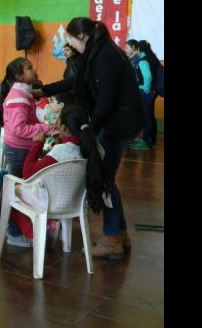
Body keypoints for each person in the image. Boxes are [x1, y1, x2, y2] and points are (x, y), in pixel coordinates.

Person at [35, 17, 143, 260]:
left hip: (120, 124)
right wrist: (44, 90)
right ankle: (119, 234)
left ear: (81, 36)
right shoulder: (96, 51)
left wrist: (88, 132)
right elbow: (77, 80)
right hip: (118, 121)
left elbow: (105, 103)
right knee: (107, 178)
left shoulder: (105, 56)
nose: (71, 45)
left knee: (102, 178)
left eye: (71, 40)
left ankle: (112, 237)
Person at [9, 105, 106, 244]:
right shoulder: (95, 148)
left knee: (9, 187)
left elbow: (28, 174)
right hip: (77, 202)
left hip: (52, 203)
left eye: (58, 123)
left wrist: (36, 144)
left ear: (65, 128)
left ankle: (30, 235)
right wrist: (59, 143)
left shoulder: (60, 151)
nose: (56, 126)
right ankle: (49, 227)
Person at [0, 58, 49, 247]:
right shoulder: (19, 96)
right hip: (19, 149)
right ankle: (13, 233)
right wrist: (43, 128)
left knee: (12, 188)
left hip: (20, 147)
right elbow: (19, 128)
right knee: (15, 193)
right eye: (29, 68)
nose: (33, 70)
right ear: (19, 76)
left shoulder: (25, 92)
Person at [129, 40, 161, 150]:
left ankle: (145, 141)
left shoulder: (143, 60)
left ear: (138, 49)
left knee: (147, 117)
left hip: (146, 93)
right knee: (151, 116)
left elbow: (147, 77)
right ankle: (152, 141)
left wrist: (145, 89)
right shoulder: (153, 59)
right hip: (153, 92)